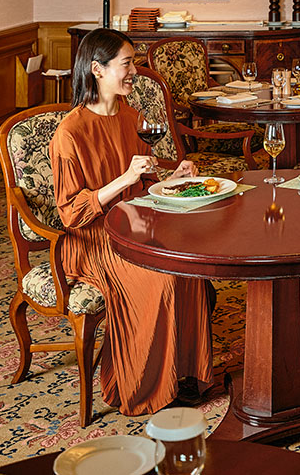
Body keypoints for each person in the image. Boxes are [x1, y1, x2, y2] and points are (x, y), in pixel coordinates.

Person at [50, 28, 213, 415]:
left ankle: (185, 373)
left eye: (134, 63)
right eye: (127, 64)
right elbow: (71, 212)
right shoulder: (70, 132)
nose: (135, 72)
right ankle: (147, 385)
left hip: (135, 225)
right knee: (162, 278)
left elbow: (146, 180)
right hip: (94, 239)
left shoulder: (131, 116)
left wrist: (174, 178)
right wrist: (124, 180)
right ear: (97, 70)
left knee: (189, 268)